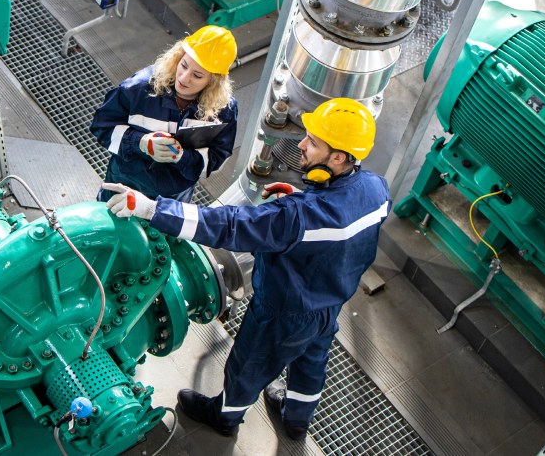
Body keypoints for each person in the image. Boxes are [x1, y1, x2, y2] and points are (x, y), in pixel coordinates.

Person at [103, 98, 390, 440]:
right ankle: (297, 420)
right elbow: (338, 224)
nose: (301, 145)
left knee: (249, 366)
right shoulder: (375, 188)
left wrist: (153, 209)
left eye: (313, 142)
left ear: (338, 157)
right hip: (329, 303)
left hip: (283, 311)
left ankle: (225, 416)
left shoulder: (299, 218)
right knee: (312, 363)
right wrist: (299, 197)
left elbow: (231, 225)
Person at [91, 26, 238, 203]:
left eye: (197, 76)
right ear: (178, 57)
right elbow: (102, 126)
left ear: (213, 82)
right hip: (124, 187)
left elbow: (217, 156)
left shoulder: (222, 109)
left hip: (172, 202)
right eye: (183, 65)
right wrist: (141, 143)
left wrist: (182, 157)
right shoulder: (139, 89)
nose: (183, 78)